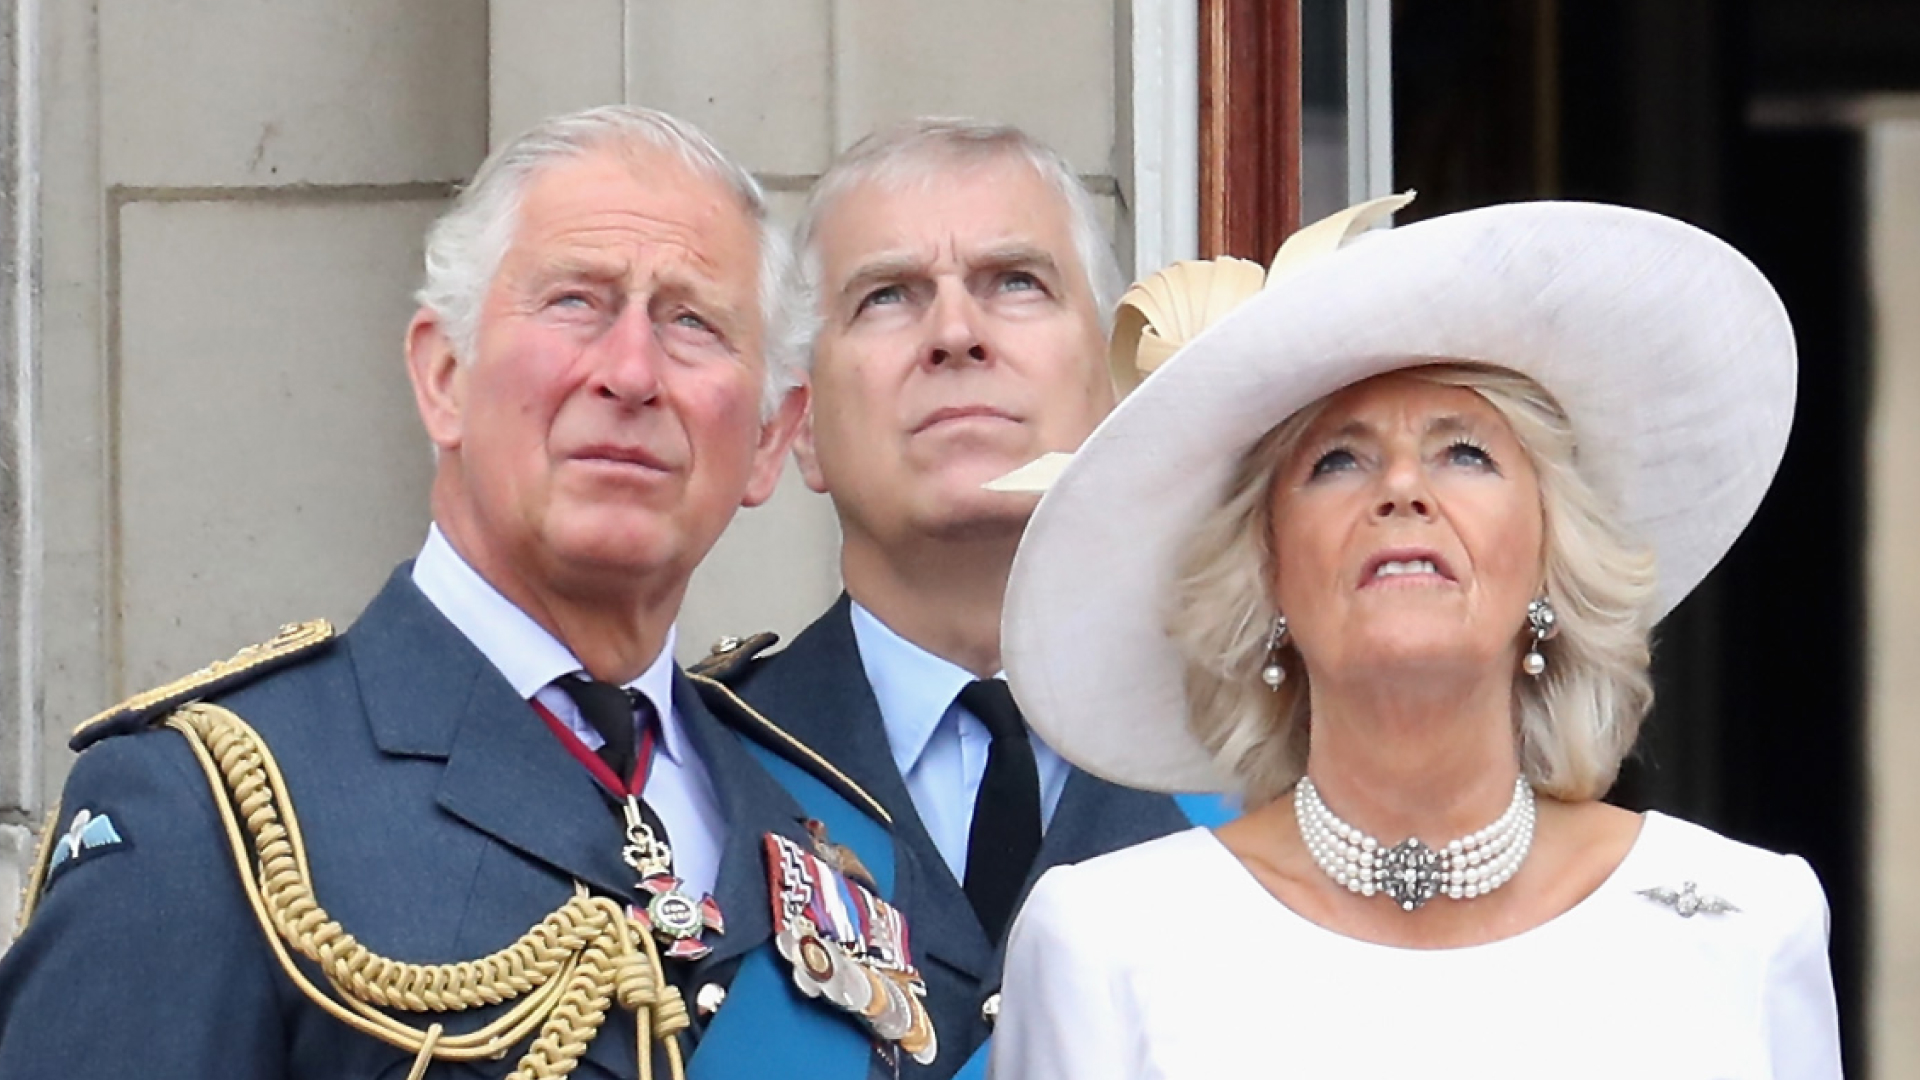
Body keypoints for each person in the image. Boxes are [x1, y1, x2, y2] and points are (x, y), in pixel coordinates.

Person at [0, 105, 940, 1080]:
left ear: (772, 439)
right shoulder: (215, 810)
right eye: (576, 301)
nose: (630, 372)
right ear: (443, 376)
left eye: (692, 321)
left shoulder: (836, 850)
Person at [988, 197, 1843, 1078]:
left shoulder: (1746, 925)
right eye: (1337, 461)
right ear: (1268, 575)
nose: (1401, 489)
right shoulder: (1103, 943)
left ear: (1550, 561)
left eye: (1465, 453)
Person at [717, 119, 1224, 1080]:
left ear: (1116, 392)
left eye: (1016, 282)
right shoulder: (701, 777)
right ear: (803, 428)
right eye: (888, 296)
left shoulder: (1263, 760)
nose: (956, 333)